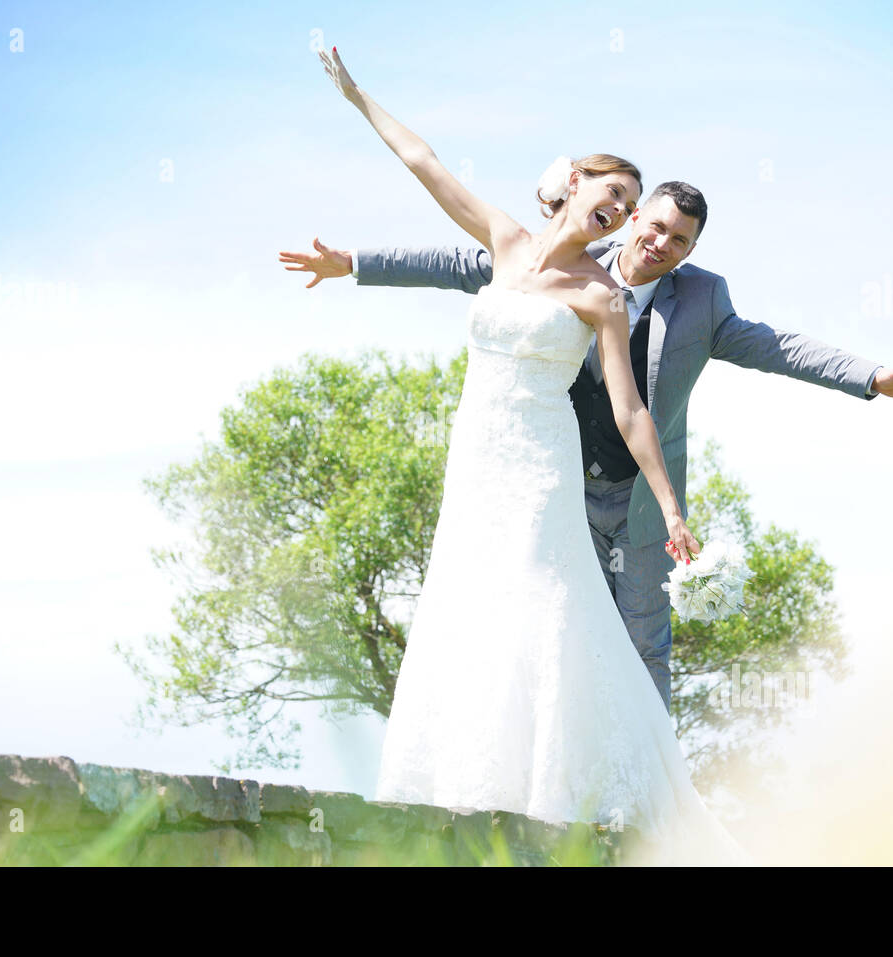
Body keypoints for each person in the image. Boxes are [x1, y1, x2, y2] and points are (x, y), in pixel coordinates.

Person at [300, 46, 750, 865]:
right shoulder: (503, 240)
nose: (615, 211)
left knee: (544, 600)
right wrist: (359, 96)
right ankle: (471, 787)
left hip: (540, 463)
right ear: (571, 183)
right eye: (609, 193)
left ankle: (561, 796)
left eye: (625, 206)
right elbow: (423, 162)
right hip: (475, 457)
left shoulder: (600, 297)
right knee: (467, 599)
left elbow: (631, 409)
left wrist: (674, 508)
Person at [282, 187, 893, 716]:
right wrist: (352, 265)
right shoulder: (565, 261)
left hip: (639, 509)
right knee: (550, 635)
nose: (662, 242)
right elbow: (463, 265)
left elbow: (778, 347)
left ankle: (646, 817)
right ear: (635, 218)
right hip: (557, 486)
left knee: (642, 649)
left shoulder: (703, 300)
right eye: (656, 226)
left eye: (680, 240)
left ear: (690, 251)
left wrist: (873, 378)